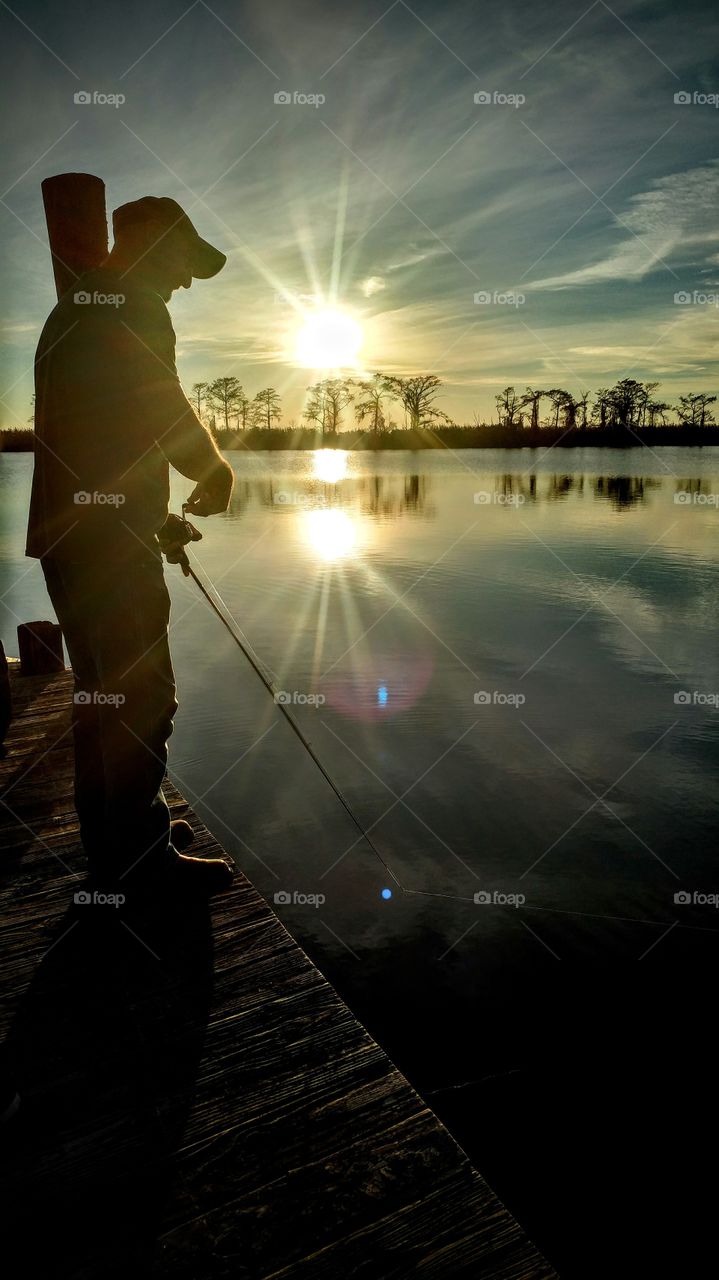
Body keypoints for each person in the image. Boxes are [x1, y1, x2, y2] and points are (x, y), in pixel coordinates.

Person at [26, 195, 236, 897]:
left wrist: (152, 516)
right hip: (104, 550)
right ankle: (138, 862)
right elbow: (160, 403)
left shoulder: (80, 308)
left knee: (102, 698)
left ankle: (121, 841)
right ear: (149, 241)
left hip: (76, 538)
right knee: (142, 698)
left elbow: (107, 437)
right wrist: (213, 467)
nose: (182, 283)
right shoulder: (130, 303)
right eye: (182, 262)